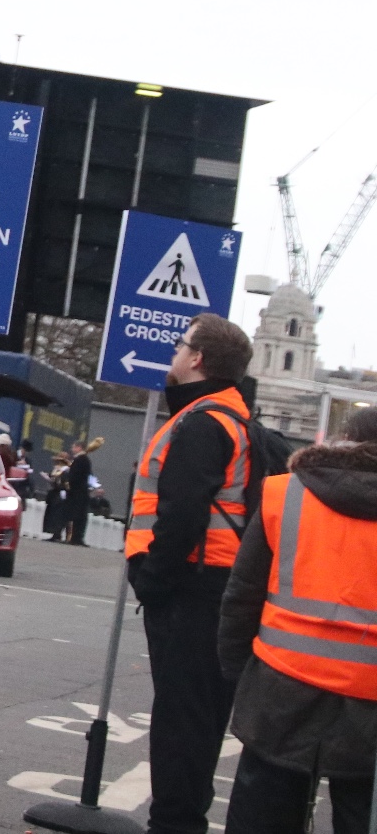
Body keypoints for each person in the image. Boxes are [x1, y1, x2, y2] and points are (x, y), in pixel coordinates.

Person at [126, 313, 258, 834]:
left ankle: (175, 827)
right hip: (213, 588)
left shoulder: (204, 423)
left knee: (183, 725)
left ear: (198, 359)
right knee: (198, 722)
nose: (173, 355)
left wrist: (152, 579)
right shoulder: (233, 418)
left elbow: (182, 514)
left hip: (192, 590)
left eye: (180, 346)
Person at [219, 406, 377, 834]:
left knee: (261, 818)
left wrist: (239, 676)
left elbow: (242, 596)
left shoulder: (285, 494)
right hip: (372, 704)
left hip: (281, 688)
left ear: (341, 441)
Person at [62, 441, 93, 545]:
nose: (72, 449)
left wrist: (68, 482)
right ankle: (76, 537)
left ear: (79, 447)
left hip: (77, 493)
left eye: (74, 447)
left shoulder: (81, 460)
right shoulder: (84, 460)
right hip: (80, 492)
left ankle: (75, 537)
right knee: (79, 515)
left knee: (77, 515)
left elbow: (75, 476)